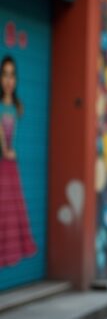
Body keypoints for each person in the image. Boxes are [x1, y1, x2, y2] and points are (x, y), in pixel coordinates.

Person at [0, 55, 37, 267]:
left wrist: (11, 150)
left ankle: (12, 250)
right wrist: (5, 149)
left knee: (12, 209)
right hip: (4, 163)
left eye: (12, 75)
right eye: (5, 74)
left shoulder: (17, 108)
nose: (8, 79)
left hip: (12, 166)